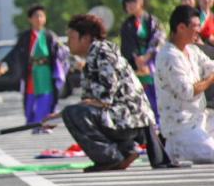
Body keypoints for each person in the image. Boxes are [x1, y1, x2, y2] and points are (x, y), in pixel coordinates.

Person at [61, 14, 160, 172]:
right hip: (124, 117)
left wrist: (73, 111)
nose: (68, 42)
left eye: (71, 37)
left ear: (85, 38)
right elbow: (91, 101)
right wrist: (56, 117)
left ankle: (110, 157)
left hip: (131, 119)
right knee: (72, 113)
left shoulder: (102, 51)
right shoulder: (94, 54)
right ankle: (126, 150)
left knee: (74, 113)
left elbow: (106, 95)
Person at [155, 5, 214, 163]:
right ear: (181, 27)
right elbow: (188, 91)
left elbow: (210, 67)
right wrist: (210, 80)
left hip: (200, 120)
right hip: (181, 129)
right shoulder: (169, 55)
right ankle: (176, 149)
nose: (199, 30)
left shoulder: (192, 50)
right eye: (195, 26)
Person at [0, 5, 68, 132]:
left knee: (46, 99)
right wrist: (3, 63)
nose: (39, 19)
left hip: (45, 72)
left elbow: (62, 52)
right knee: (30, 99)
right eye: (36, 16)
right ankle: (32, 124)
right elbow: (15, 52)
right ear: (30, 19)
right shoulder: (25, 36)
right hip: (31, 73)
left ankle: (44, 125)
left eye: (41, 16)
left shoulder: (50, 36)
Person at [119, 0, 164, 123]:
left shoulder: (152, 21)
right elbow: (126, 46)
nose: (130, 5)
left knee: (157, 95)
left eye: (133, 1)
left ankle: (159, 123)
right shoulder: (126, 25)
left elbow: (158, 38)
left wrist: (147, 56)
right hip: (136, 65)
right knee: (139, 96)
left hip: (152, 62)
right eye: (127, 3)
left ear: (141, 1)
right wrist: (136, 59)